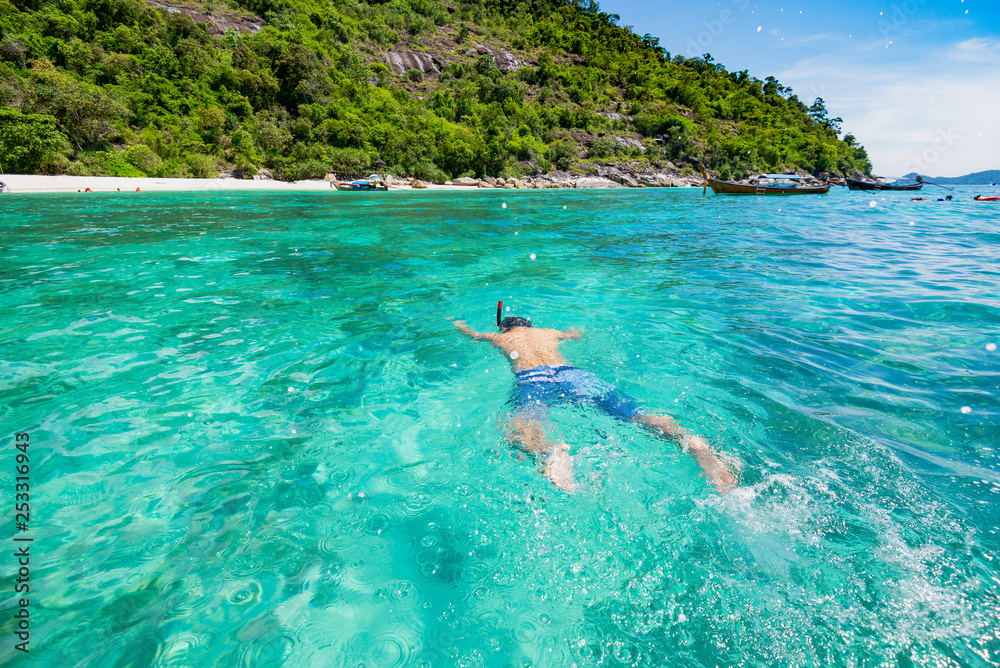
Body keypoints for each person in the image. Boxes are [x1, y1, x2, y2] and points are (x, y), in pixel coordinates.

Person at [453, 306, 737, 494]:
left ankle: (552, 453)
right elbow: (577, 333)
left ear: (506, 329)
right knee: (633, 413)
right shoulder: (551, 333)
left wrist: (461, 325)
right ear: (530, 325)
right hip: (572, 373)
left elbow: (471, 335)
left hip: (532, 379)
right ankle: (691, 442)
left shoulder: (498, 337)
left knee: (522, 426)